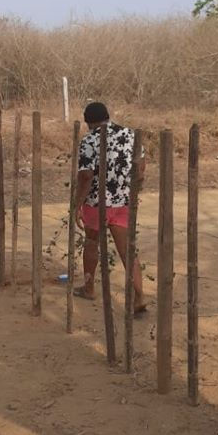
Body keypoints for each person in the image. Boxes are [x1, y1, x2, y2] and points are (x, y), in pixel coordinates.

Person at [74, 101, 146, 313]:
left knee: (91, 242)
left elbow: (86, 176)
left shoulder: (89, 140)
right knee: (127, 250)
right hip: (123, 202)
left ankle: (88, 287)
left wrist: (77, 204)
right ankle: (139, 296)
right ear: (108, 116)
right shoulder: (131, 135)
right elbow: (141, 167)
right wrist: (132, 191)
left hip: (97, 203)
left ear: (89, 122)